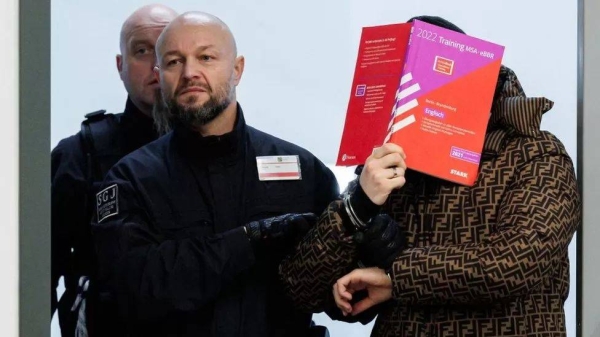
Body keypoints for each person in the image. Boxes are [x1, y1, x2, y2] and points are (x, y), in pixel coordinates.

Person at [279, 16, 581, 336]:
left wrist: (397, 277)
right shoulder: (387, 167)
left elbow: (516, 262)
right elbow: (301, 289)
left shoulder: (534, 152)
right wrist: (359, 204)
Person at [90, 11, 339, 337]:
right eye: (174, 62)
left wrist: (369, 230)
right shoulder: (130, 179)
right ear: (159, 75)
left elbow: (343, 295)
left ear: (237, 69)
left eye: (206, 57)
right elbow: (136, 289)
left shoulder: (303, 170)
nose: (190, 72)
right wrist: (251, 239)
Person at [51, 4, 178, 336]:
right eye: (141, 51)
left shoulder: (229, 151)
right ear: (120, 66)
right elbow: (38, 273)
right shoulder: (80, 154)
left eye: (168, 51)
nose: (155, 65)